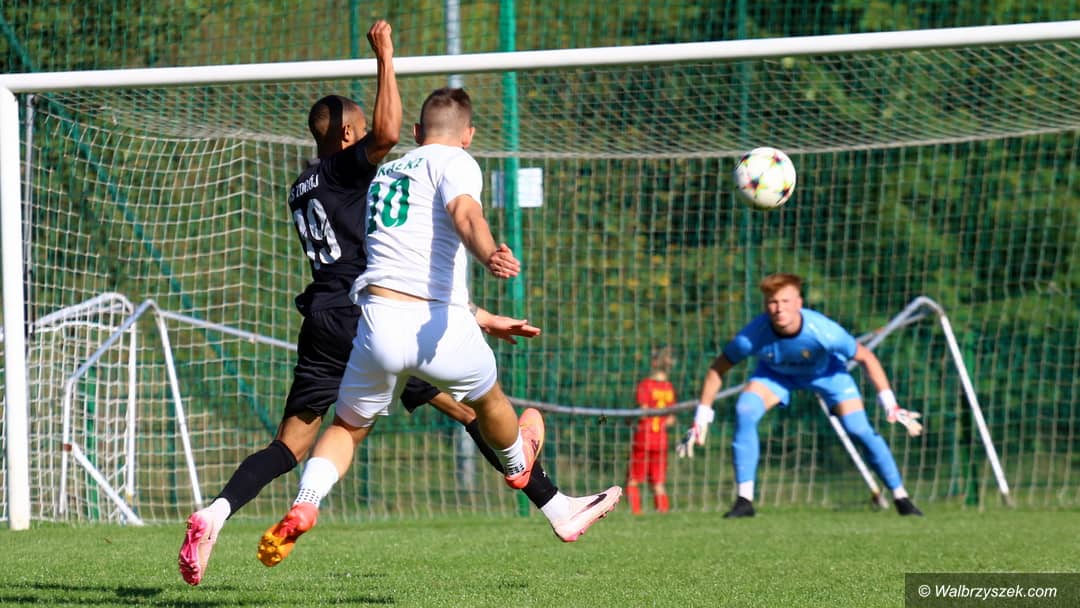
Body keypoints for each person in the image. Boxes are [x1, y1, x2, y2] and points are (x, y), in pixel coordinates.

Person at [178, 23, 614, 587]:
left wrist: (479, 315)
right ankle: (556, 506)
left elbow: (390, 257)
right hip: (368, 317)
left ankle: (216, 513)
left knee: (291, 444)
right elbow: (393, 150)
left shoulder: (303, 185)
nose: (372, 140)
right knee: (475, 410)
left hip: (328, 317)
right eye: (360, 133)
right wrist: (385, 57)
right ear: (346, 136)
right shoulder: (355, 169)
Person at [255, 86, 621, 567]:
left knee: (346, 426)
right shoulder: (456, 161)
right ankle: (518, 463)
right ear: (468, 135)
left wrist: (480, 314)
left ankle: (306, 503)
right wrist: (489, 253)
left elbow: (399, 258)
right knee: (489, 403)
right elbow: (466, 215)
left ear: (415, 132)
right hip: (437, 327)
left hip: (376, 324)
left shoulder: (384, 174)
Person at [682, 272, 924, 518]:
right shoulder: (751, 336)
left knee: (859, 429)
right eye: (773, 302)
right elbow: (717, 369)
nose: (779, 309)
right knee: (745, 410)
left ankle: (901, 497)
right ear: (765, 305)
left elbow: (866, 357)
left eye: (785, 301)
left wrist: (890, 403)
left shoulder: (825, 332)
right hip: (775, 376)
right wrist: (702, 417)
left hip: (827, 375)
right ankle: (744, 501)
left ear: (799, 303)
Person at [626, 346, 676, 514]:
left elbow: (643, 411)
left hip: (643, 437)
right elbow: (671, 419)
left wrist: (630, 420)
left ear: (654, 363)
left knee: (633, 479)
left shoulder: (645, 385)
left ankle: (636, 513)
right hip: (661, 439)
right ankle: (663, 512)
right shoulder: (669, 387)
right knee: (658, 482)